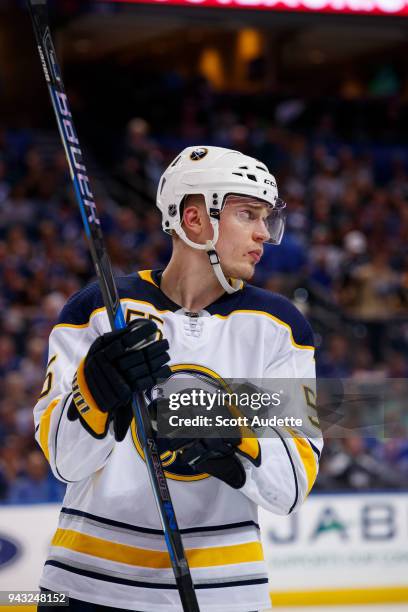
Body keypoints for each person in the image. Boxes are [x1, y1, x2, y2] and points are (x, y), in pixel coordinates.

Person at [34, 146, 322, 612]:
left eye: (267, 218)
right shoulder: (97, 312)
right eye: (248, 214)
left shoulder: (281, 328)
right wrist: (96, 392)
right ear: (195, 220)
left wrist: (236, 436)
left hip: (226, 592)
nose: (264, 235)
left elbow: (290, 487)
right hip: (83, 587)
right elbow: (65, 463)